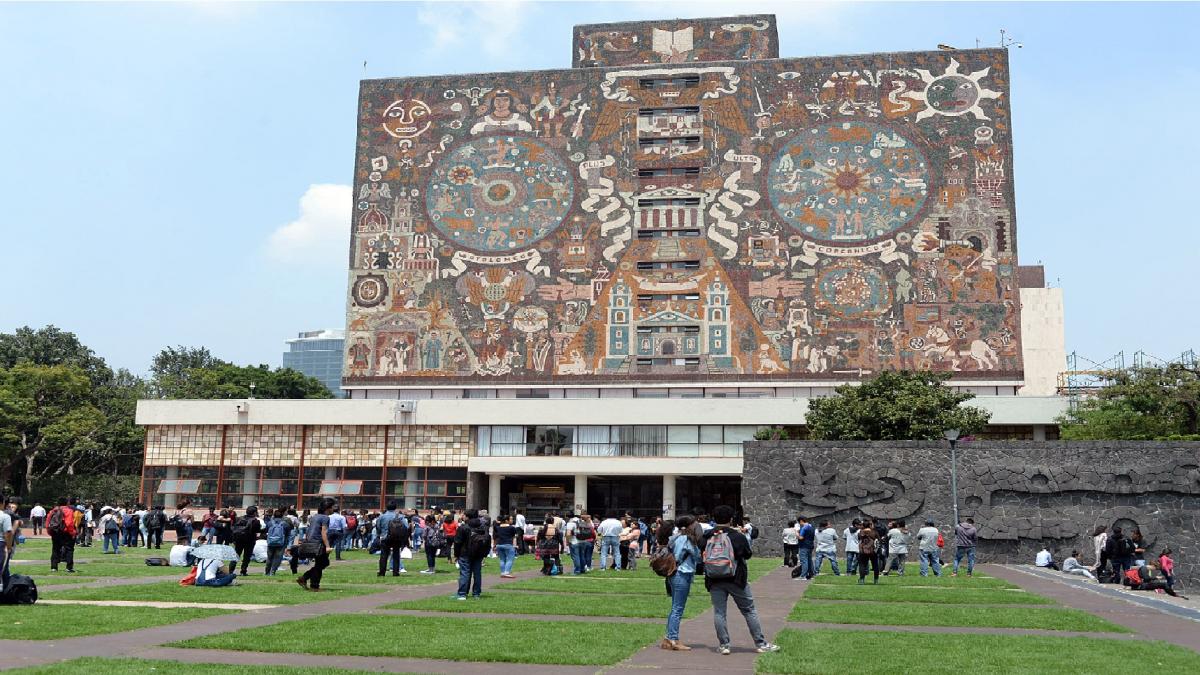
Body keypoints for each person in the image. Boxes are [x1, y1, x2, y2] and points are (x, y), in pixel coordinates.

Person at [702, 505, 781, 656]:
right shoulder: (737, 536)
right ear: (731, 519)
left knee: (719, 612)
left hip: (714, 579)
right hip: (736, 579)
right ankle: (760, 643)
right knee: (749, 610)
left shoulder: (707, 535)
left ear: (714, 518)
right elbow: (747, 554)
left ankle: (724, 645)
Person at [662, 515, 701, 651]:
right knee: (678, 609)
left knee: (674, 607)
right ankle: (673, 639)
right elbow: (698, 557)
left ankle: (668, 638)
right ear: (690, 525)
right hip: (683, 573)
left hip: (673, 573)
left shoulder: (674, 537)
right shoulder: (687, 539)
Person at [297, 498, 334, 592]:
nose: (333, 509)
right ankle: (313, 585)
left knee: (321, 564)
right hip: (319, 544)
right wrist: (328, 546)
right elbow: (324, 532)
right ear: (327, 508)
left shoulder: (315, 516)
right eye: (332, 507)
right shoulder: (326, 518)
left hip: (310, 542)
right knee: (321, 564)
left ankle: (305, 579)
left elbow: (310, 530)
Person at [452, 508, 490, 599]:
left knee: (465, 573)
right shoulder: (483, 527)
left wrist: (456, 555)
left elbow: (457, 542)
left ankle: (462, 594)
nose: (463, 516)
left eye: (464, 515)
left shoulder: (463, 527)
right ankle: (476, 594)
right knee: (477, 573)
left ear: (467, 516)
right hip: (479, 553)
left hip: (465, 553)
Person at [375, 501, 409, 577]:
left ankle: (382, 572)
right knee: (396, 555)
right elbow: (406, 526)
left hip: (385, 537)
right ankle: (395, 572)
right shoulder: (400, 516)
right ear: (395, 507)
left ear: (386, 507)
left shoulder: (382, 516)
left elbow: (378, 526)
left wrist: (380, 534)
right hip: (396, 537)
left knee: (384, 555)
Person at [47, 497, 77, 573]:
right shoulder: (69, 511)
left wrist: (50, 532)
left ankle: (54, 567)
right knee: (69, 549)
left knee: (55, 549)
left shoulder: (53, 510)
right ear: (67, 503)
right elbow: (69, 523)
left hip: (55, 532)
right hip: (66, 532)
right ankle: (69, 567)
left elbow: (48, 522)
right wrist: (72, 532)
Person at [264, 508, 293, 576]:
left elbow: (266, 530)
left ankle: (267, 571)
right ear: (282, 516)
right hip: (281, 543)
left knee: (269, 557)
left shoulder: (270, 523)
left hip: (271, 542)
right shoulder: (285, 523)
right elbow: (289, 533)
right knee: (277, 557)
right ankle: (273, 571)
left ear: (274, 515)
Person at [0, 494, 13, 589]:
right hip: (1, 544)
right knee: (3, 569)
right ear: (2, 503)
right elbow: (8, 533)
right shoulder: (5, 517)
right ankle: (5, 590)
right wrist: (9, 547)